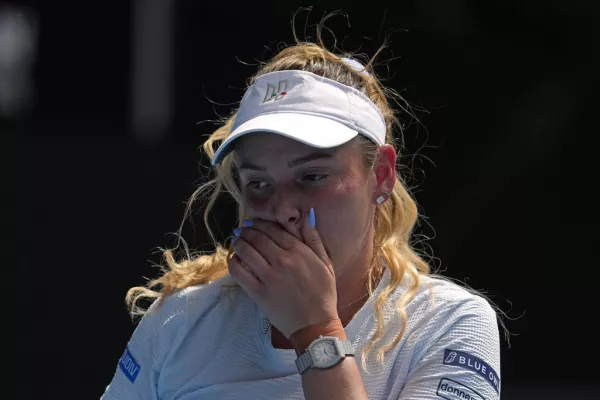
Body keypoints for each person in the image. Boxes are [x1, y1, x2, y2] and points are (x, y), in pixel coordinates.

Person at [100, 31, 501, 400]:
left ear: (380, 175)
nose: (283, 210)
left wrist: (315, 331)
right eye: (259, 184)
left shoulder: (449, 323)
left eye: (311, 176)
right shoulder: (179, 320)